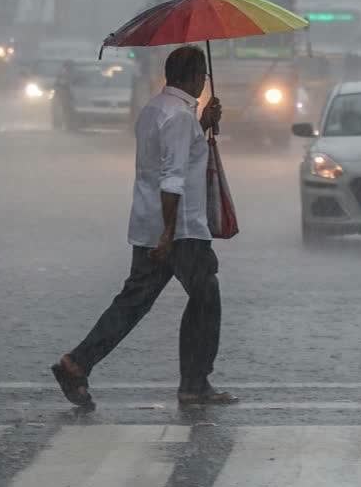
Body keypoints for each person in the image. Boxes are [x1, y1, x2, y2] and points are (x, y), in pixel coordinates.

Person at [51, 45, 235, 408]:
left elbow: (170, 156)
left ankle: (77, 363)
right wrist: (168, 234)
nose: (204, 82)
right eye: (203, 76)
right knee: (206, 298)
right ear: (195, 77)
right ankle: (194, 384)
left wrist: (202, 125)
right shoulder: (180, 117)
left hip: (150, 223)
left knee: (133, 302)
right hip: (180, 229)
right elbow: (173, 177)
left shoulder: (156, 109)